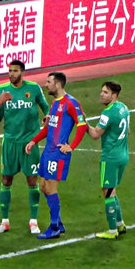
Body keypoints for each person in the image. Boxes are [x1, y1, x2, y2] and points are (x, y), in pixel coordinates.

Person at [25, 72, 88, 239]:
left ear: (58, 84)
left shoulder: (71, 103)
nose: (46, 85)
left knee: (51, 188)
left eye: (49, 82)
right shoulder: (54, 104)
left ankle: (54, 228)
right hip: (48, 152)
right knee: (43, 187)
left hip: (58, 154)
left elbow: (81, 125)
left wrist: (71, 146)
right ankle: (58, 223)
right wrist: (33, 141)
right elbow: (49, 128)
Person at [0, 60, 50, 234]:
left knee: (32, 180)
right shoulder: (2, 90)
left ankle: (33, 221)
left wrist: (47, 116)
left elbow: (46, 107)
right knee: (6, 180)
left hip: (29, 142)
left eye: (15, 71)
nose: (11, 74)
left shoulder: (33, 88)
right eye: (9, 70)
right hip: (9, 142)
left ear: (22, 72)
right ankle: (4, 221)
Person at [85, 81, 130, 239]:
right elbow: (128, 131)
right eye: (101, 91)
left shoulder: (107, 113)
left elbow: (95, 134)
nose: (101, 94)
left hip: (110, 157)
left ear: (114, 95)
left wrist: (83, 123)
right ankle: (120, 224)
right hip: (123, 154)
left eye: (105, 92)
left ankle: (112, 231)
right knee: (112, 190)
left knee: (108, 192)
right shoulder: (124, 107)